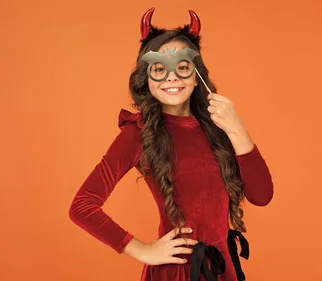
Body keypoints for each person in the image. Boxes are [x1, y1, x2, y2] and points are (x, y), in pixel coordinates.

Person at [68, 7, 274, 281]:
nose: (171, 77)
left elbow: (262, 196)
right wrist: (141, 249)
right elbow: (82, 206)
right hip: (175, 272)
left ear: (197, 74)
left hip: (222, 269)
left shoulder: (219, 127)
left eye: (182, 66)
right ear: (146, 76)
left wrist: (237, 129)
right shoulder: (139, 133)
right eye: (159, 68)